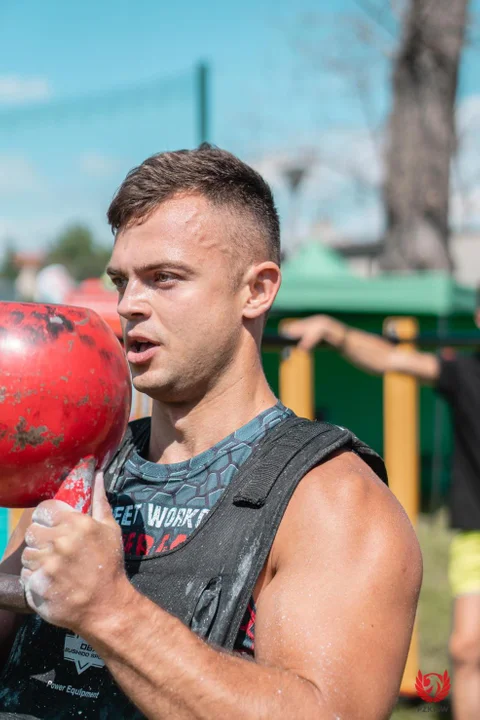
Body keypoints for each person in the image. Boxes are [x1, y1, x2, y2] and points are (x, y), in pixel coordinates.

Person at [0, 146, 421, 720]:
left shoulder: (329, 499)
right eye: (121, 281)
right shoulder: (86, 466)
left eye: (164, 279)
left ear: (256, 290)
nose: (129, 305)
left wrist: (110, 611)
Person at [285, 312, 480, 720]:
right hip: (477, 533)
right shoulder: (465, 373)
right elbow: (392, 360)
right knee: (468, 649)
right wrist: (336, 333)